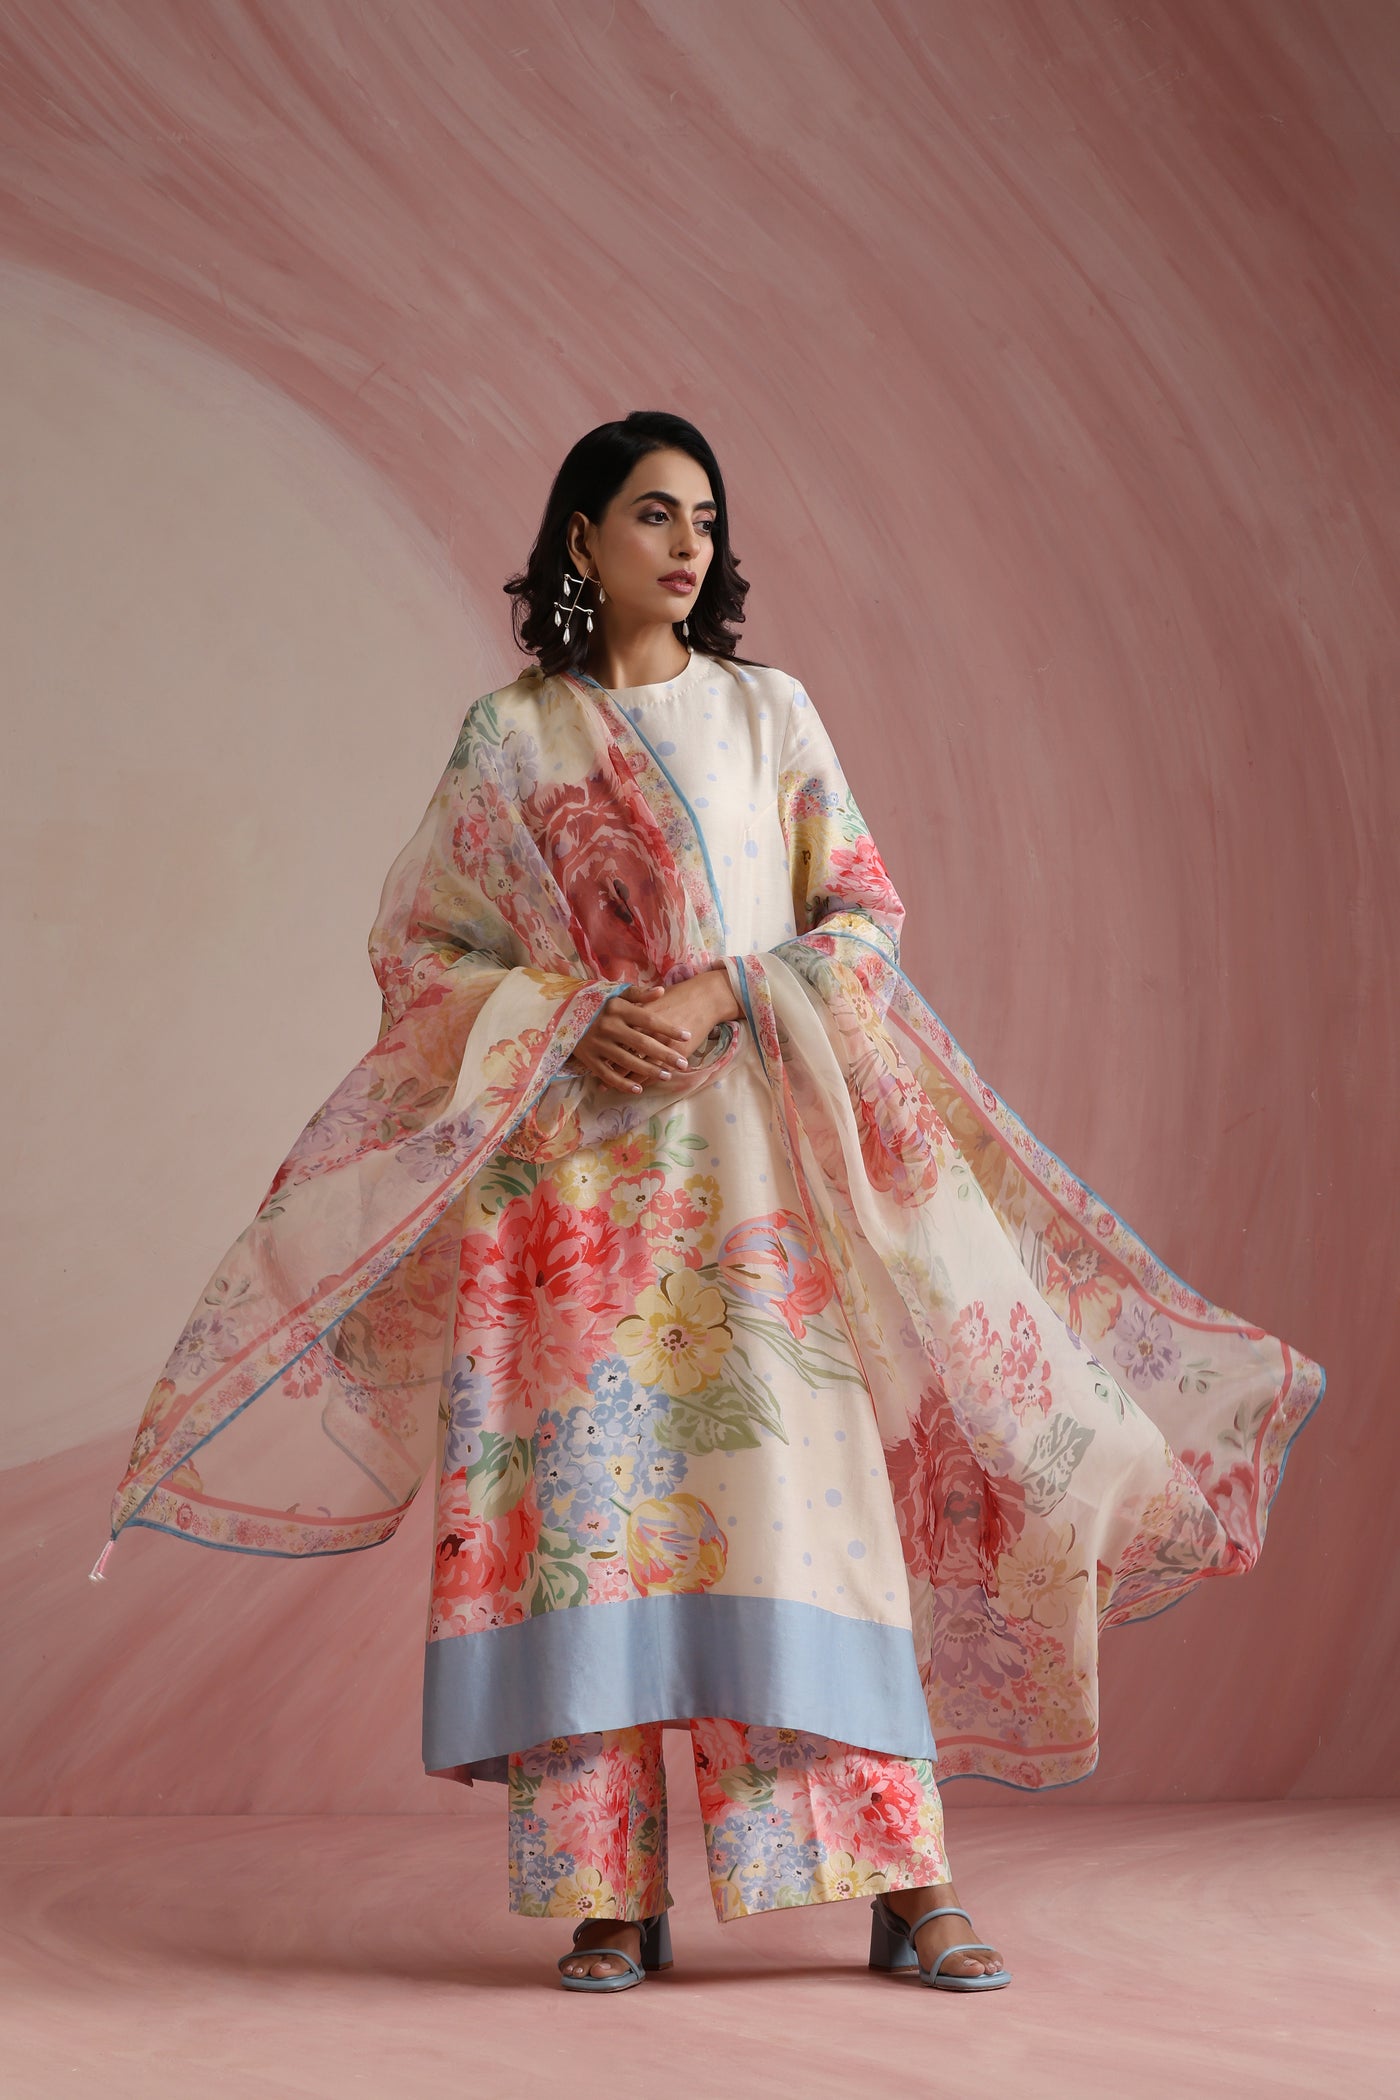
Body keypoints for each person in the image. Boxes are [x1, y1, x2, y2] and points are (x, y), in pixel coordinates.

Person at [95, 411, 1324, 1998]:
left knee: (800, 1520)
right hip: (568, 1200)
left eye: (704, 519)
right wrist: (565, 1015)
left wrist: (725, 992)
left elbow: (861, 918)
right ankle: (610, 1892)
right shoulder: (510, 740)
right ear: (583, 539)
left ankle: (901, 1882)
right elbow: (424, 957)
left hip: (755, 1173)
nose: (688, 545)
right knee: (593, 1523)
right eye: (654, 515)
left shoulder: (767, 714)